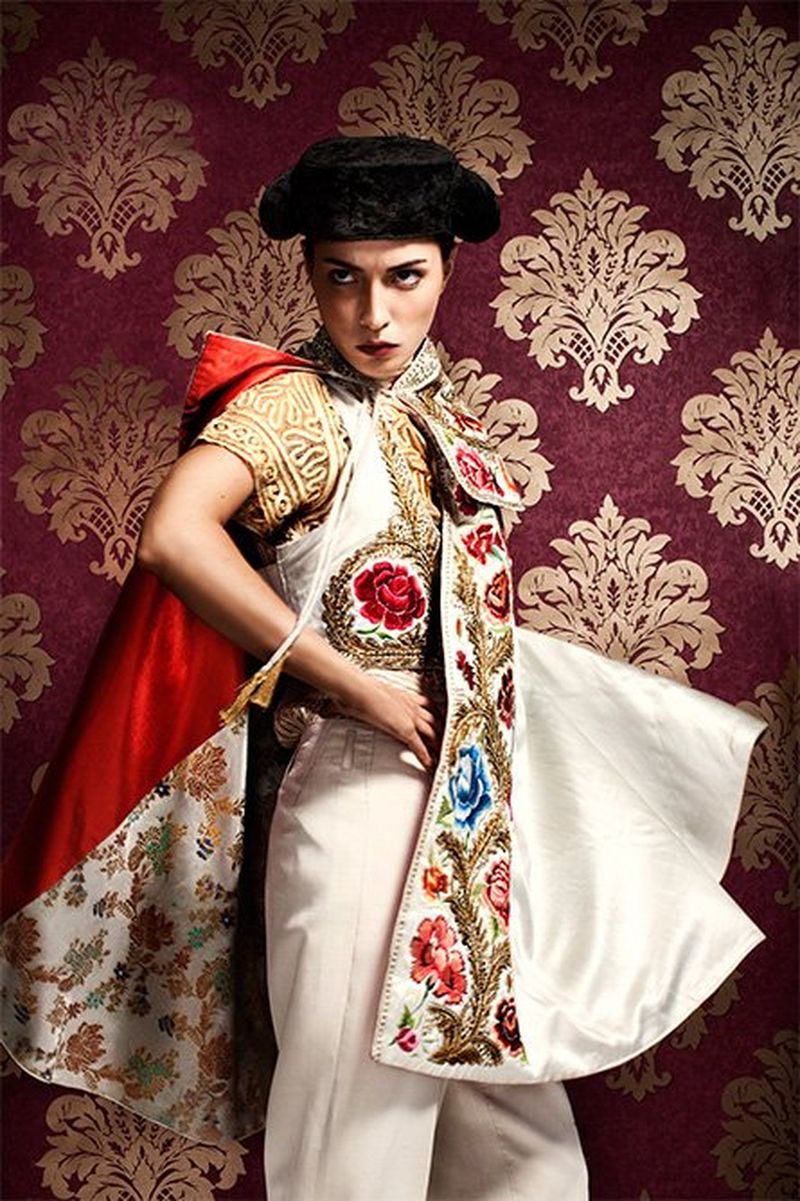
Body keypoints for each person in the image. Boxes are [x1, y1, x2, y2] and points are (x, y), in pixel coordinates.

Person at [0, 137, 766, 1201]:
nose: (372, 313)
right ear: (309, 276)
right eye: (340, 278)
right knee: (351, 1147)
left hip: (465, 821)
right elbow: (174, 536)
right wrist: (349, 680)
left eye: (402, 276)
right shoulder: (290, 407)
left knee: (520, 1150)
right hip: (357, 796)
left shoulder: (432, 415)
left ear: (447, 269)